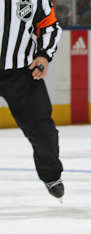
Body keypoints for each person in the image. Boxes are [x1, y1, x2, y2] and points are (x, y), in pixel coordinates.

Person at [0, 0, 64, 201]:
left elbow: (49, 26)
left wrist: (44, 55)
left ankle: (51, 175)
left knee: (43, 130)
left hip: (22, 73)